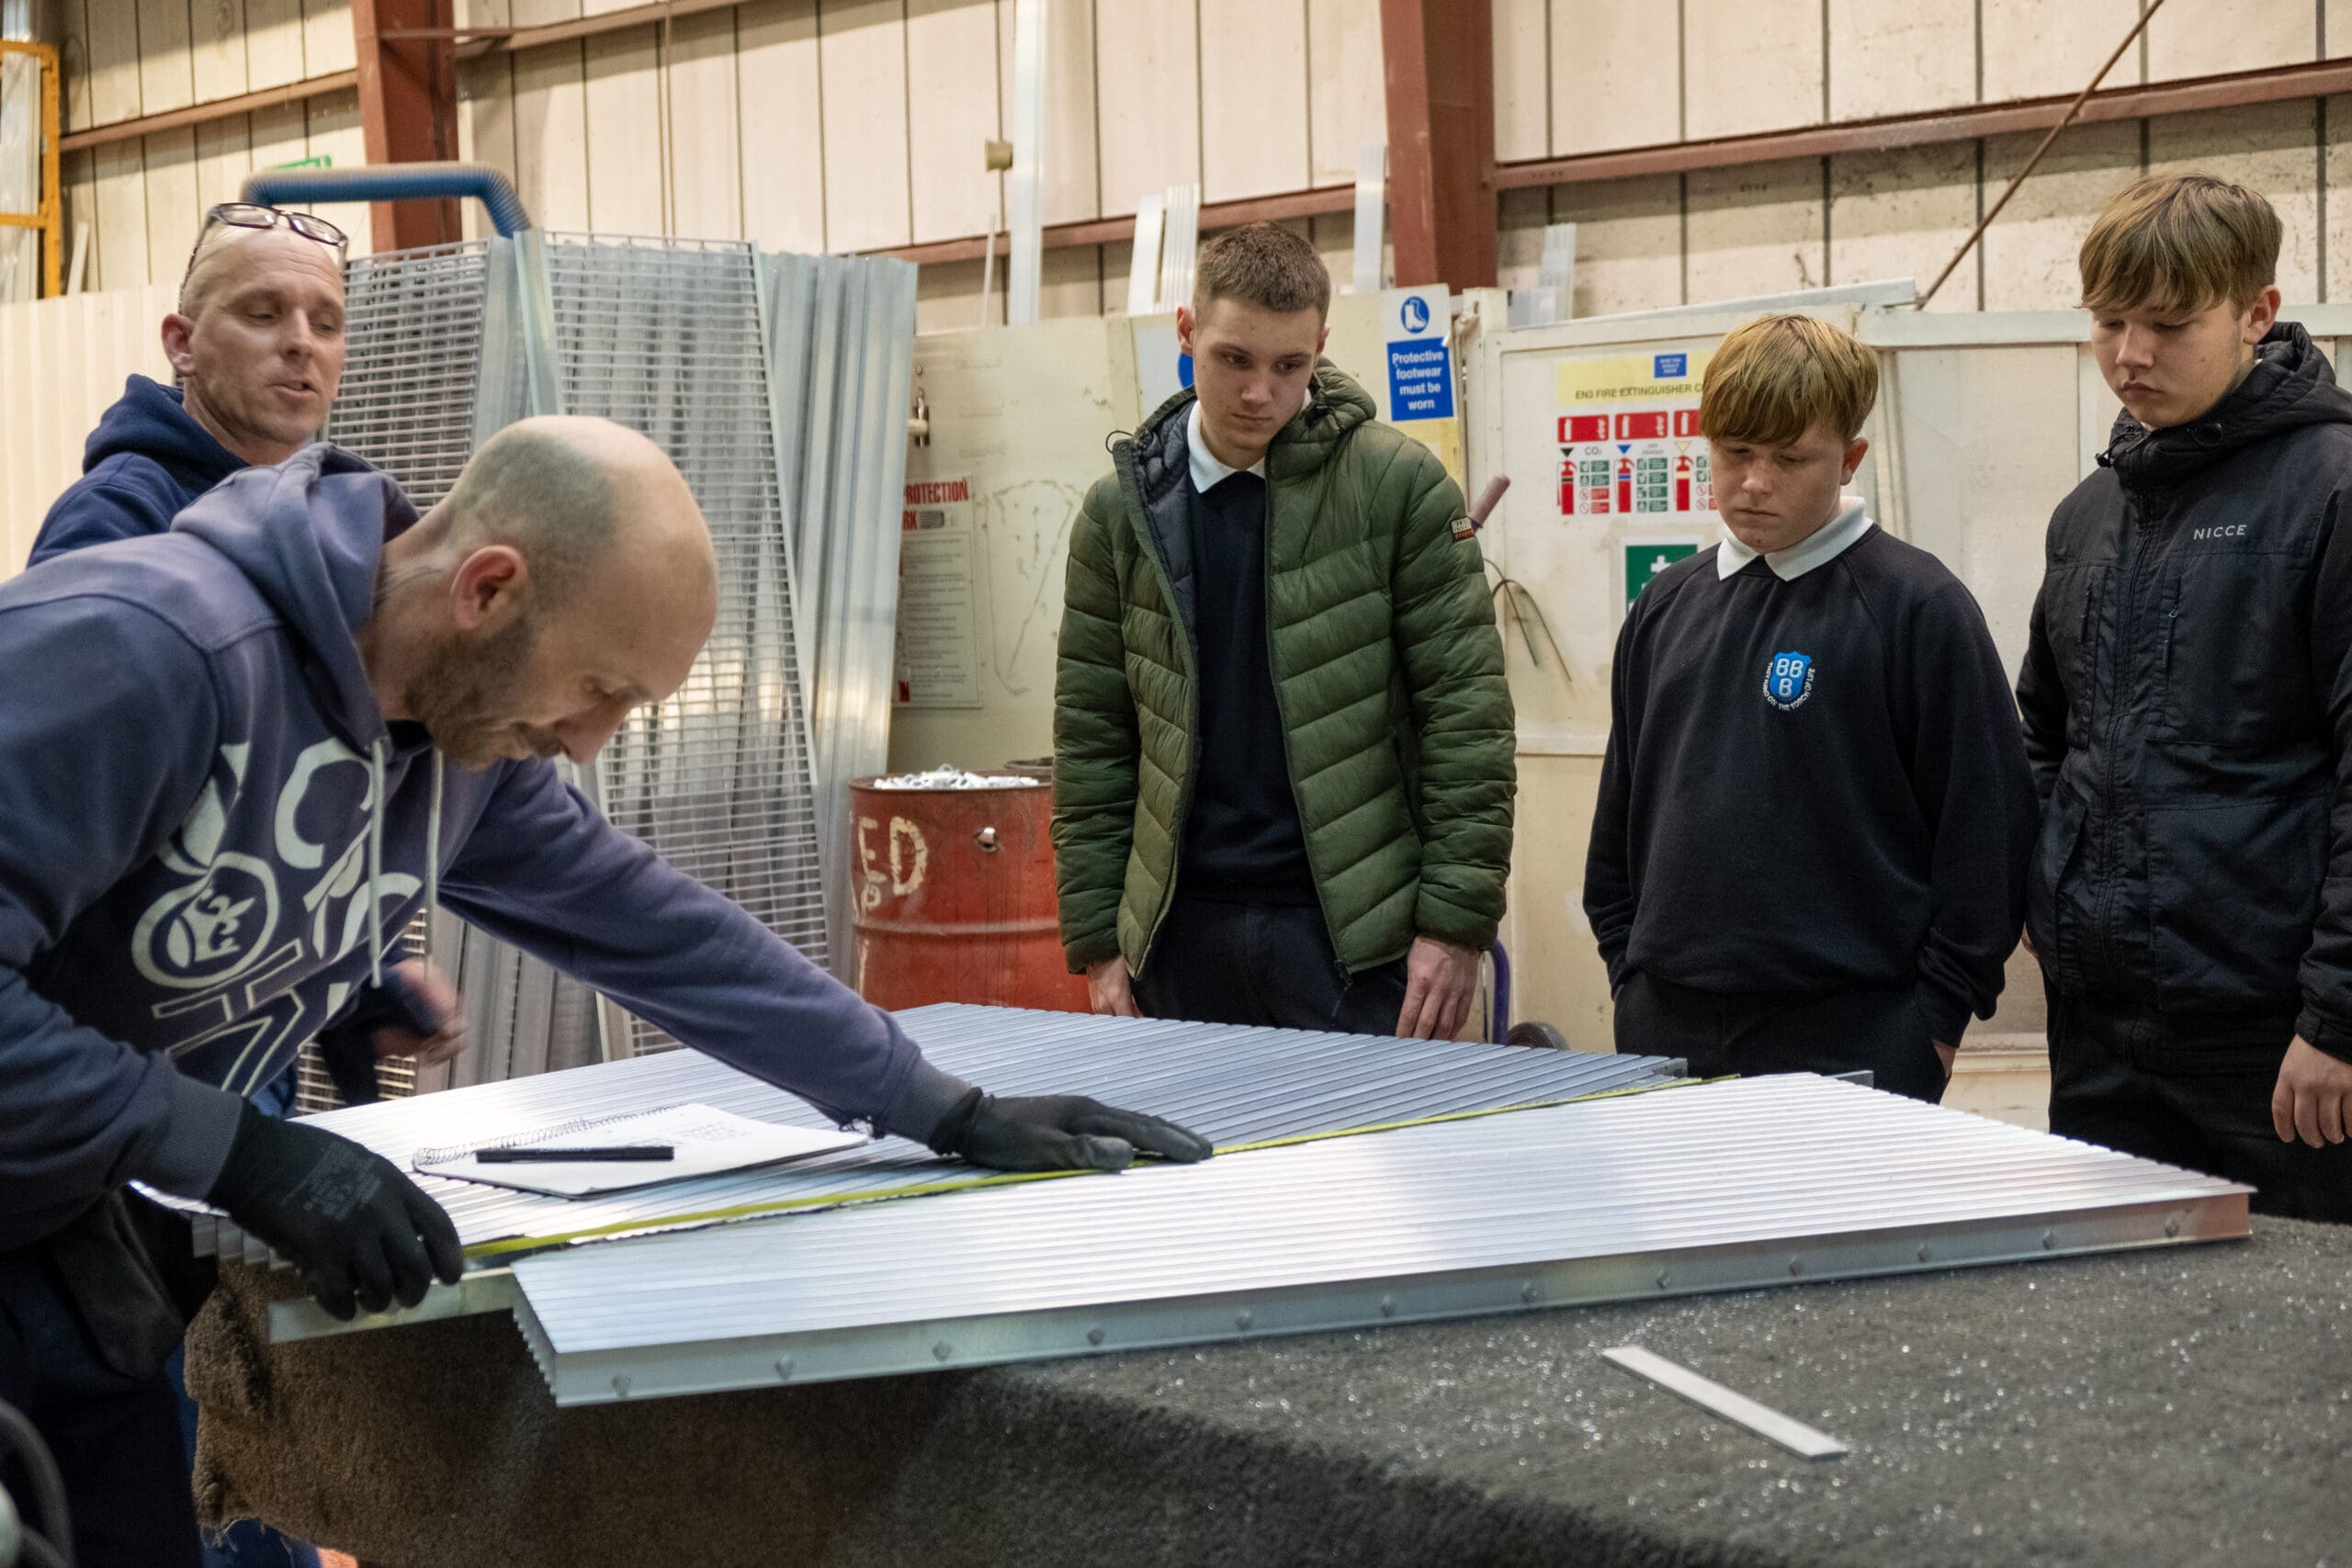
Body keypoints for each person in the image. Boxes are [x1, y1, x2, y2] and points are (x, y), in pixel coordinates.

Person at [0, 416, 1212, 1568]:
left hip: (64, 1228)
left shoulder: (453, 746)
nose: (588, 742)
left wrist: (940, 1104)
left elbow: (660, 930)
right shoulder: (147, 649)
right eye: (601, 691)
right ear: (486, 588)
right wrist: (242, 1154)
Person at [26, 204, 438, 1568]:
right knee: (166, 1439)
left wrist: (356, 973)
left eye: (325, 321)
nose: (302, 348)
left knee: (228, 1425)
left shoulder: (321, 537)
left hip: (221, 1051)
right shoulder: (126, 535)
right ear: (181, 340)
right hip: (114, 1101)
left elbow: (275, 807)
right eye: (264, 314)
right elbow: (153, 849)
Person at [1052, 223, 1514, 1041]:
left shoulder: (1399, 491)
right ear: (1186, 334)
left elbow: (1467, 721)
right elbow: (1094, 740)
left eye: (1289, 366)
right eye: (1235, 359)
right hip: (1176, 940)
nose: (1261, 393)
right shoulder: (1118, 516)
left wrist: (1454, 925)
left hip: (1353, 947)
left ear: (1321, 348)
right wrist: (1098, 942)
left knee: (1373, 1170)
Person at [1583, 313, 2037, 1100]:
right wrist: (1628, 969)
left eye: (1790, 458)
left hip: (1858, 1032)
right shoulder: (1667, 604)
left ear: (1850, 457)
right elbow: (1623, 810)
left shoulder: (1918, 606)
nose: (1756, 481)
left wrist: (1934, 1020)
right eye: (1735, 453)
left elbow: (1987, 830)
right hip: (1667, 1023)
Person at [2017, 173, 2352, 1218]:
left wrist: (2338, 1020)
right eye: (2108, 322)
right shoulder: (2088, 514)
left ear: (2256, 312)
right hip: (2101, 1039)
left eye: (2167, 324)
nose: (2129, 355)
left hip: (2276, 1048)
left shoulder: (2332, 491)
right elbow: (2043, 736)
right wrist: (2043, 888)